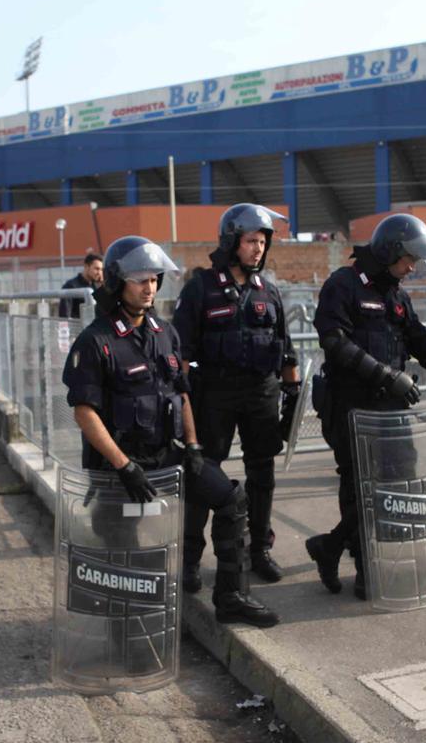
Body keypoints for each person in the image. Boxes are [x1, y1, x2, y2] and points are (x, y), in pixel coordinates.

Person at [62, 235, 278, 627]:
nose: (150, 287)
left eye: (155, 279)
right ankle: (127, 626)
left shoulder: (165, 333)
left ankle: (230, 596)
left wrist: (194, 446)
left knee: (231, 499)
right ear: (116, 282)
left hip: (167, 455)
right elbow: (84, 413)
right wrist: (124, 467)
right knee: (129, 554)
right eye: (140, 279)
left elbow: (181, 394)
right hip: (121, 471)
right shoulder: (96, 341)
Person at [305, 213, 426, 599]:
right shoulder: (344, 285)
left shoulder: (395, 292)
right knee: (359, 488)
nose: (411, 268)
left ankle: (330, 546)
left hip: (389, 409)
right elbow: (335, 342)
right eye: (408, 259)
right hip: (350, 406)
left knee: (393, 486)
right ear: (390, 251)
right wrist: (386, 376)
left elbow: (416, 333)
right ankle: (363, 564)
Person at [172, 203, 298, 591]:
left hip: (261, 393)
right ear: (232, 242)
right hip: (215, 394)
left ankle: (257, 550)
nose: (258, 249)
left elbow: (286, 350)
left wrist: (292, 394)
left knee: (263, 473)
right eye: (250, 241)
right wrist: (183, 402)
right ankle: (190, 560)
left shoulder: (269, 291)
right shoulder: (201, 288)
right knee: (202, 474)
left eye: (262, 242)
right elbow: (179, 353)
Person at [58, 252, 104, 319]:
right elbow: (64, 316)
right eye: (96, 269)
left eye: (101, 269)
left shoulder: (97, 286)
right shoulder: (70, 286)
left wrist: (104, 286)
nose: (99, 273)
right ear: (86, 266)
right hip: (77, 328)